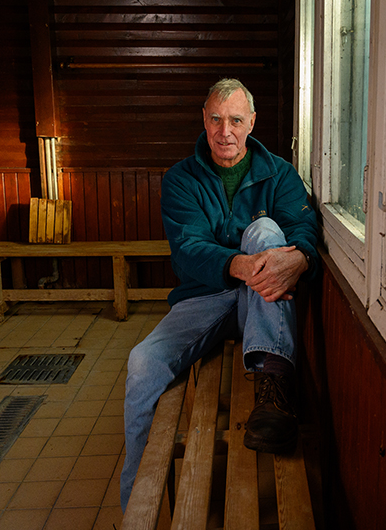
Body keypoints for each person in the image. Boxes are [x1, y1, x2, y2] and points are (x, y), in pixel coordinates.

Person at [120, 78, 319, 510]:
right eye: (215, 119)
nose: (224, 130)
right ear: (204, 120)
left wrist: (300, 258)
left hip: (262, 303)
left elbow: (303, 227)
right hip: (203, 298)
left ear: (251, 122)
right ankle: (135, 505)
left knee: (268, 230)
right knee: (141, 363)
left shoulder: (280, 174)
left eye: (234, 119)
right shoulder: (181, 179)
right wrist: (240, 265)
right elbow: (189, 248)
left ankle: (273, 391)